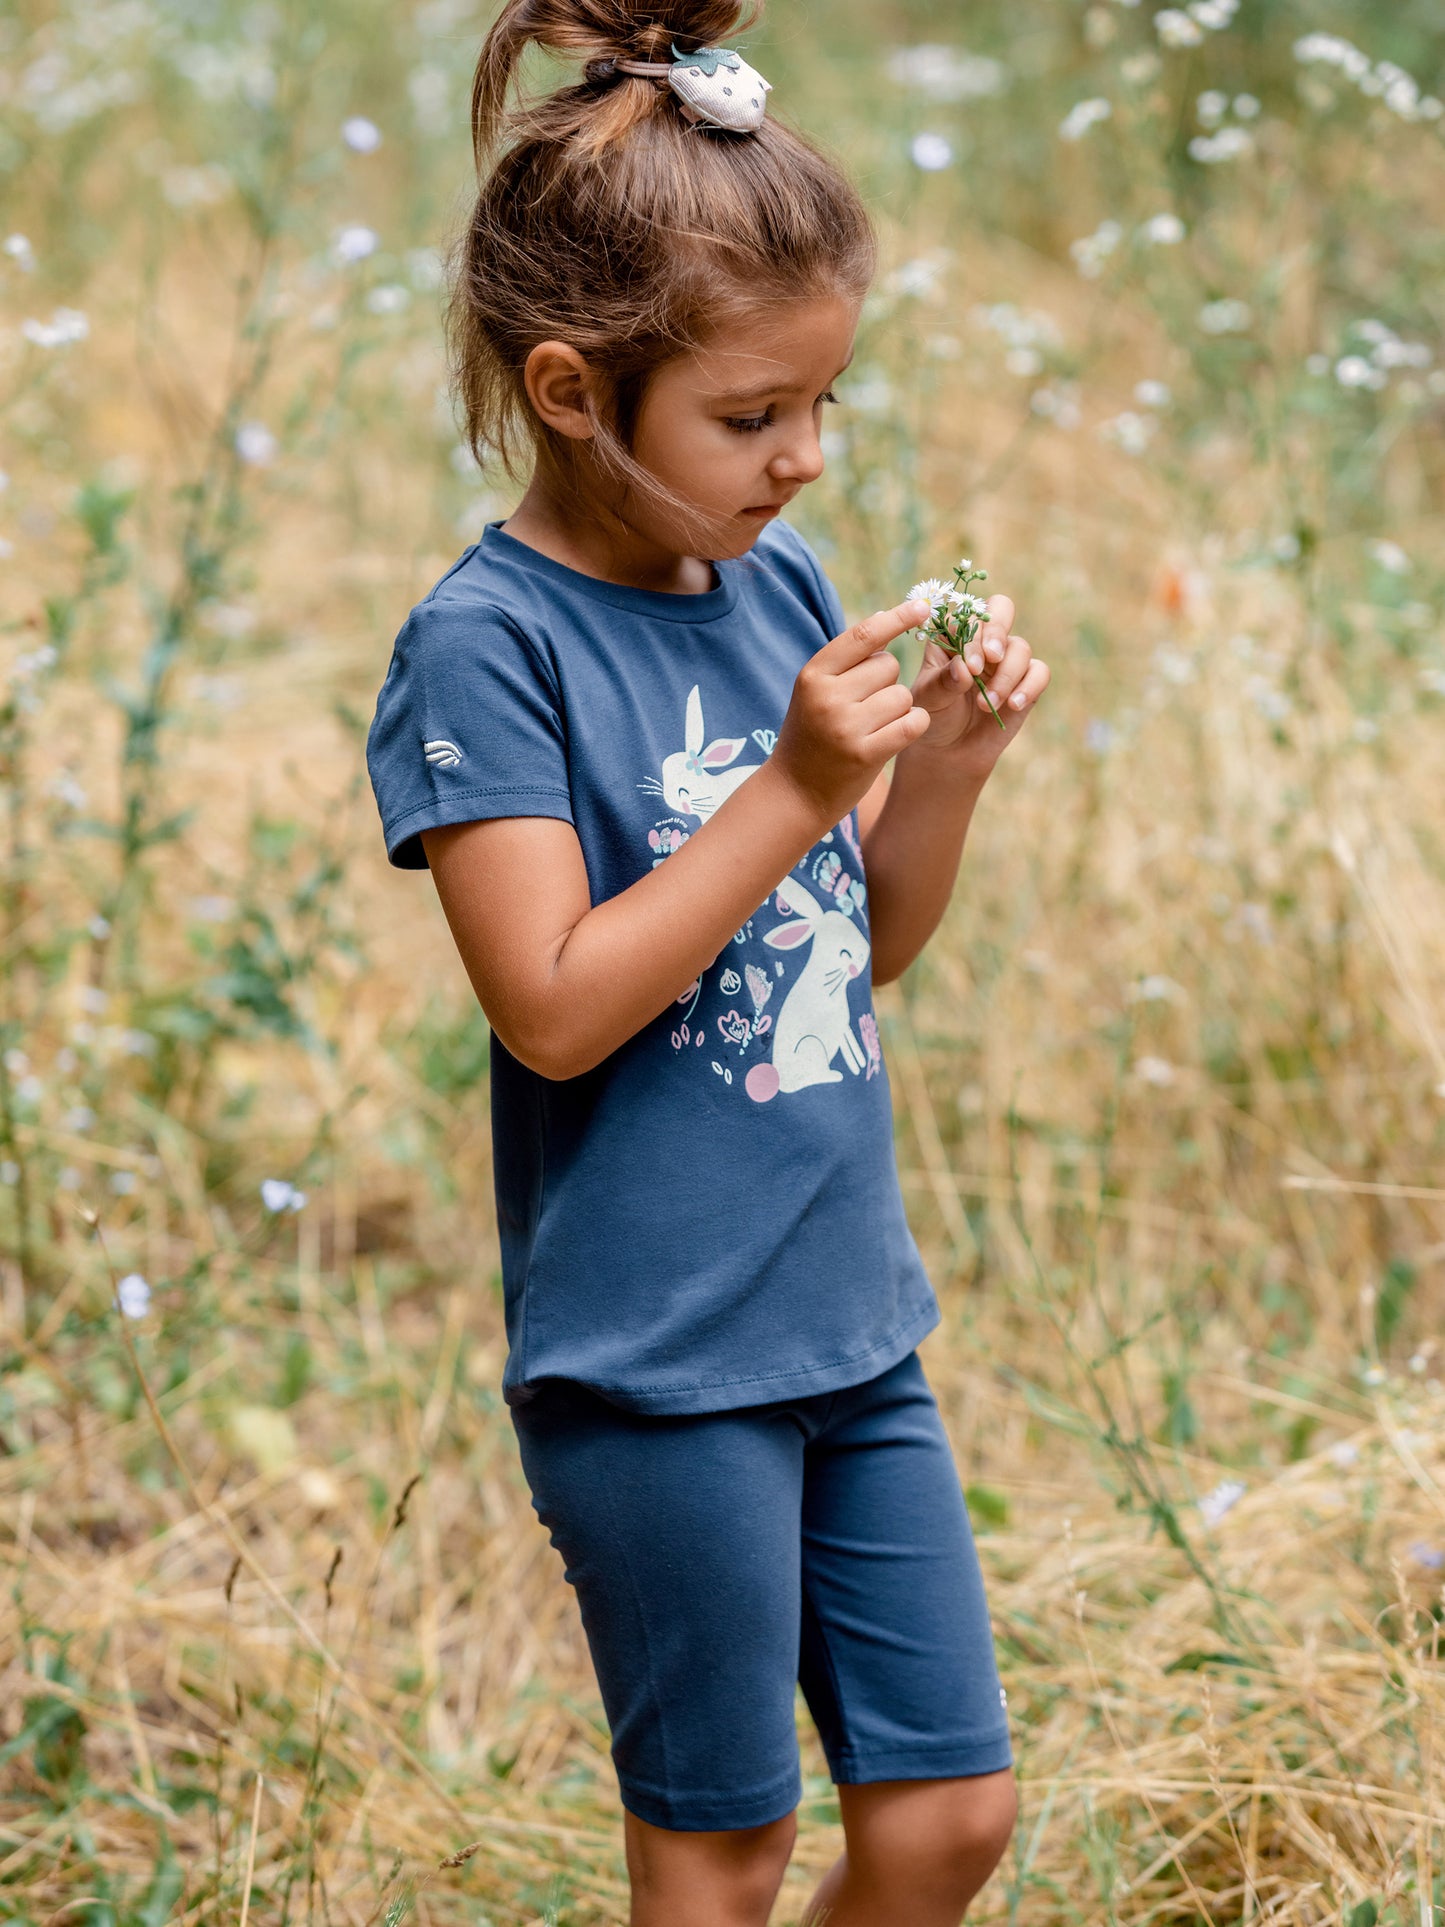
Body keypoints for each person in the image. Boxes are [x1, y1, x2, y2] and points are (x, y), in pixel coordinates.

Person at [366, 2, 1050, 1919]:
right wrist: (788, 784)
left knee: (945, 1824)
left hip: (851, 1320)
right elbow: (557, 1008)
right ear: (575, 390)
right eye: (751, 419)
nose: (805, 460)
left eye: (824, 404)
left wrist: (948, 776)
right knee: (725, 1850)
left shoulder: (781, 587)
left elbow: (856, 951)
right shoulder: (488, 647)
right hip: (659, 1367)